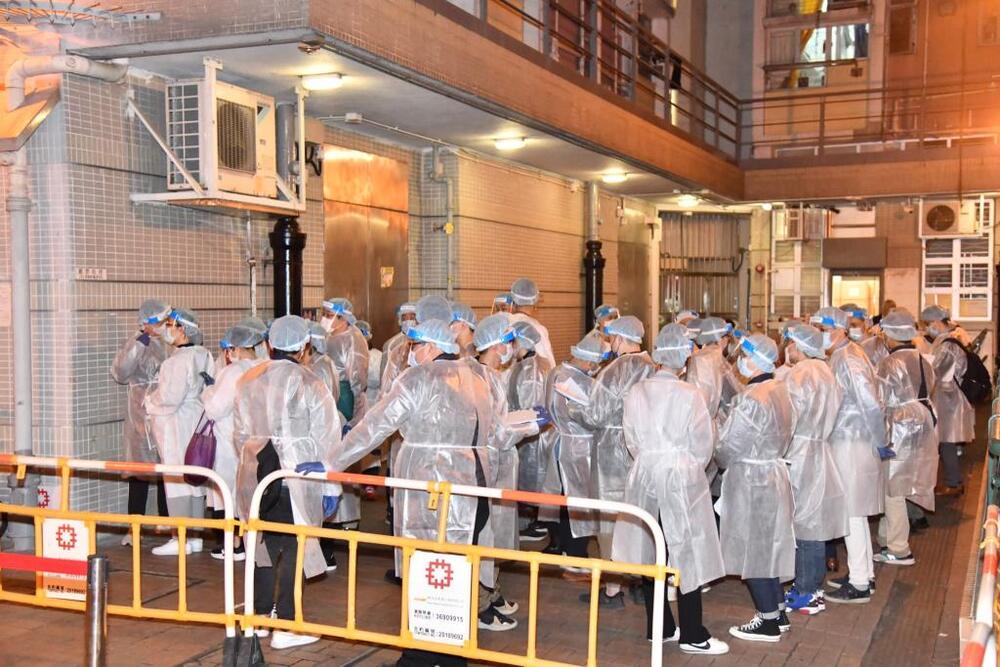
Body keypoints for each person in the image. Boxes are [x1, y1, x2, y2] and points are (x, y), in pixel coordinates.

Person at [327, 319, 515, 666]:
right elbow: (498, 433)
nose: (411, 353)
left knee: (427, 573)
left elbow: (375, 427)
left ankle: (419, 655)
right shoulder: (480, 376)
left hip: (430, 492)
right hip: (474, 490)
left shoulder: (417, 379)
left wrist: (330, 462)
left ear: (430, 346)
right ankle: (452, 652)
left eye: (414, 346)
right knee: (459, 573)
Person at [612, 324, 729, 655]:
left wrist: (650, 459)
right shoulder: (690, 394)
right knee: (687, 552)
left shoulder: (636, 392)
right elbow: (703, 444)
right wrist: (686, 464)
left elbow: (630, 437)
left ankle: (658, 626)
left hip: (645, 474)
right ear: (682, 358)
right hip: (680, 477)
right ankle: (693, 633)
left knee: (652, 548)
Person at [233, 315, 342, 651]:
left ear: (269, 344)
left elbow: (237, 431)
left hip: (255, 476)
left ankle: (260, 618)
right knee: (294, 548)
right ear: (304, 346)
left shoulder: (248, 379)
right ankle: (288, 624)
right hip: (295, 478)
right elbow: (328, 435)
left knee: (262, 547)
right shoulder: (310, 381)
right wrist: (331, 485)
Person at [718, 334, 795, 643]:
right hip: (773, 473)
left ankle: (767, 621)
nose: (739, 363)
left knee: (754, 548)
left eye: (743, 357)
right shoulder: (780, 389)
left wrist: (718, 451)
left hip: (752, 477)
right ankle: (777, 610)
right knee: (769, 544)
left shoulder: (752, 397)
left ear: (754, 360)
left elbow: (729, 444)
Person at [811, 307, 885, 604]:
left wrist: (881, 440)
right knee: (857, 513)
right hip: (851, 439)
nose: (819, 335)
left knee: (852, 512)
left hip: (852, 440)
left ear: (839, 329)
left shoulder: (848, 358)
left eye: (822, 329)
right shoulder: (845, 354)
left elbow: (869, 402)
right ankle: (863, 574)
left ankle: (859, 584)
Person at [470, 313, 540, 628]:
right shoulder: (483, 378)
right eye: (508, 342)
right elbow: (495, 432)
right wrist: (530, 425)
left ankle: (491, 593)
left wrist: (523, 417)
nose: (512, 348)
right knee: (485, 537)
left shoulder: (492, 375)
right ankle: (481, 605)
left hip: (497, 463)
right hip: (488, 465)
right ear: (497, 345)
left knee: (496, 535)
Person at [580, 315, 655, 607]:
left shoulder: (616, 369)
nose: (609, 343)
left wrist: (578, 409)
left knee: (611, 520)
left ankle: (613, 589)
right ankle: (641, 581)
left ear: (620, 339)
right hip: (641, 453)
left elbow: (594, 414)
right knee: (640, 519)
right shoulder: (653, 367)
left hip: (612, 452)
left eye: (611, 338)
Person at [780, 324, 847, 615]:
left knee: (804, 526)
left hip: (800, 452)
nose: (786, 349)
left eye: (789, 343)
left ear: (798, 345)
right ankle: (810, 586)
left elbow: (786, 416)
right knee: (813, 522)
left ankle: (807, 589)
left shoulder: (799, 374)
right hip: (820, 449)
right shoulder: (827, 371)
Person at [144, 308, 215, 556]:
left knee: (175, 480)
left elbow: (169, 398)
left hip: (175, 425)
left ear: (183, 329)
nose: (167, 328)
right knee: (195, 480)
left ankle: (179, 538)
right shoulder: (203, 354)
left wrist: (149, 402)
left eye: (171, 323)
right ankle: (195, 537)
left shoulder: (176, 362)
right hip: (196, 421)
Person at [873, 310, 938, 567]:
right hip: (923, 421)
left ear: (890, 334)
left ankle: (899, 549)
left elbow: (880, 399)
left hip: (898, 425)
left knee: (893, 489)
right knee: (904, 482)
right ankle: (886, 538)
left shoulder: (889, 363)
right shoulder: (922, 359)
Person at [201, 322, 268, 561]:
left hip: (231, 442)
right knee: (255, 494)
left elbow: (215, 408)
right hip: (261, 442)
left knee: (228, 494)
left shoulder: (233, 372)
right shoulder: (267, 366)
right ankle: (253, 545)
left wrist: (208, 390)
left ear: (234, 348)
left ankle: (234, 545)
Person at [540, 332, 605, 568]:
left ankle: (565, 547)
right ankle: (575, 553)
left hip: (560, 442)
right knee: (579, 503)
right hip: (578, 447)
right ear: (589, 362)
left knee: (565, 499)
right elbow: (592, 416)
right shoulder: (579, 382)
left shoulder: (556, 371)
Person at [111, 299, 172, 545]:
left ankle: (168, 526)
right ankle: (133, 529)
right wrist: (141, 342)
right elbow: (119, 371)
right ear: (147, 323)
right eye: (161, 321)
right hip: (142, 416)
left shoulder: (170, 343)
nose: (166, 325)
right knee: (140, 472)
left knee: (167, 472)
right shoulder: (138, 342)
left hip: (167, 412)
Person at [322, 298, 370, 530]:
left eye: (329, 314)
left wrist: (351, 411)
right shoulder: (328, 337)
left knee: (346, 454)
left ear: (343, 318)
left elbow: (357, 376)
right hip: (330, 395)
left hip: (345, 396)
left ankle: (348, 518)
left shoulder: (353, 338)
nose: (325, 318)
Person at [508, 321, 555, 544]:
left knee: (530, 480)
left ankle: (531, 525)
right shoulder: (544, 364)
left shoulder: (528, 370)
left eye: (512, 341)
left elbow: (528, 410)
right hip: (543, 435)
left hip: (533, 436)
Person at [922, 304, 973, 497]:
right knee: (945, 442)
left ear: (936, 322)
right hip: (945, 399)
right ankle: (952, 481)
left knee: (946, 442)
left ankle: (953, 482)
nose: (927, 328)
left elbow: (936, 371)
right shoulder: (945, 341)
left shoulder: (948, 344)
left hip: (948, 399)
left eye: (928, 324)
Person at [508, 277, 556, 367]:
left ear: (512, 299)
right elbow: (549, 365)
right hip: (529, 378)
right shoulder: (537, 329)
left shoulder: (504, 323)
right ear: (535, 301)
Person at [380, 302, 417, 380]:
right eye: (404, 318)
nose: (408, 321)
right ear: (400, 321)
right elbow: (384, 375)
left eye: (412, 317)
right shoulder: (391, 344)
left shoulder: (425, 343)